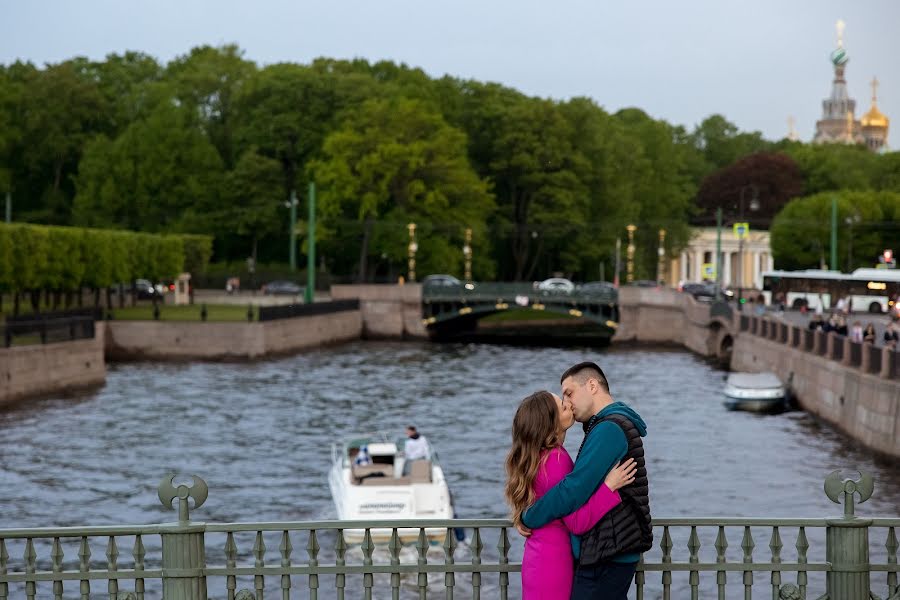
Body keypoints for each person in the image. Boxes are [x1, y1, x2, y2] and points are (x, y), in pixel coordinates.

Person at [519, 362, 651, 600]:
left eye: (569, 393)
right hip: (609, 548)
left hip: (609, 551)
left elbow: (573, 489)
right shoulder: (604, 426)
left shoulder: (608, 429)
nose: (568, 402)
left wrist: (529, 516)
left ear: (591, 385)